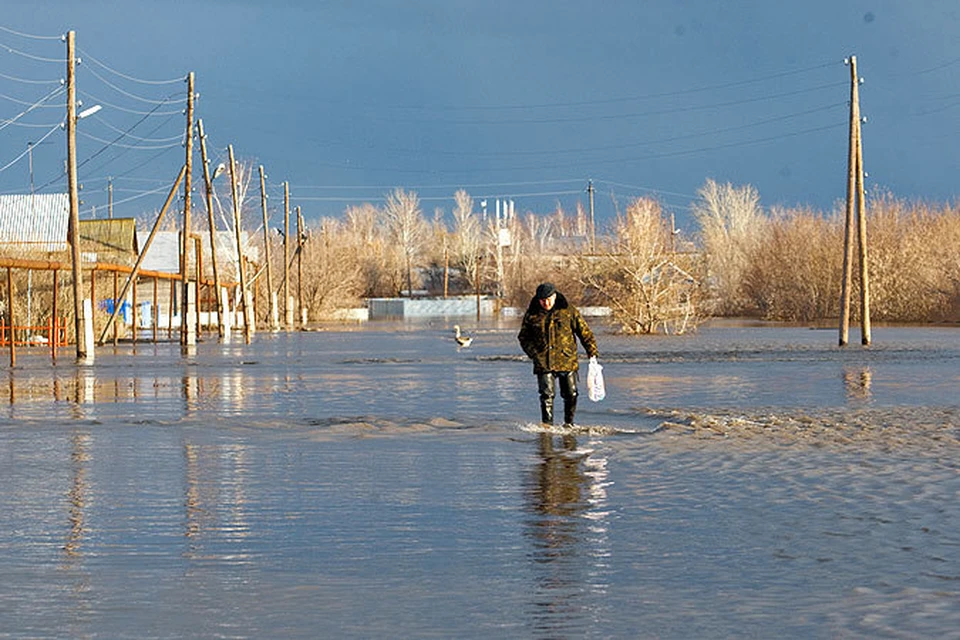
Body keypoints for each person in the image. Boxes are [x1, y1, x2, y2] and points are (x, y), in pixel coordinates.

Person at [517, 282, 599, 427]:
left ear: (554, 296)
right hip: (543, 362)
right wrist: (534, 354)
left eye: (548, 299)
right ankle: (547, 425)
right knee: (546, 395)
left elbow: (584, 333)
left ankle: (569, 423)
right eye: (542, 300)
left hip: (566, 360)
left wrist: (592, 353)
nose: (546, 303)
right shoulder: (532, 314)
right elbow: (523, 337)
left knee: (571, 394)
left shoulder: (568, 311)